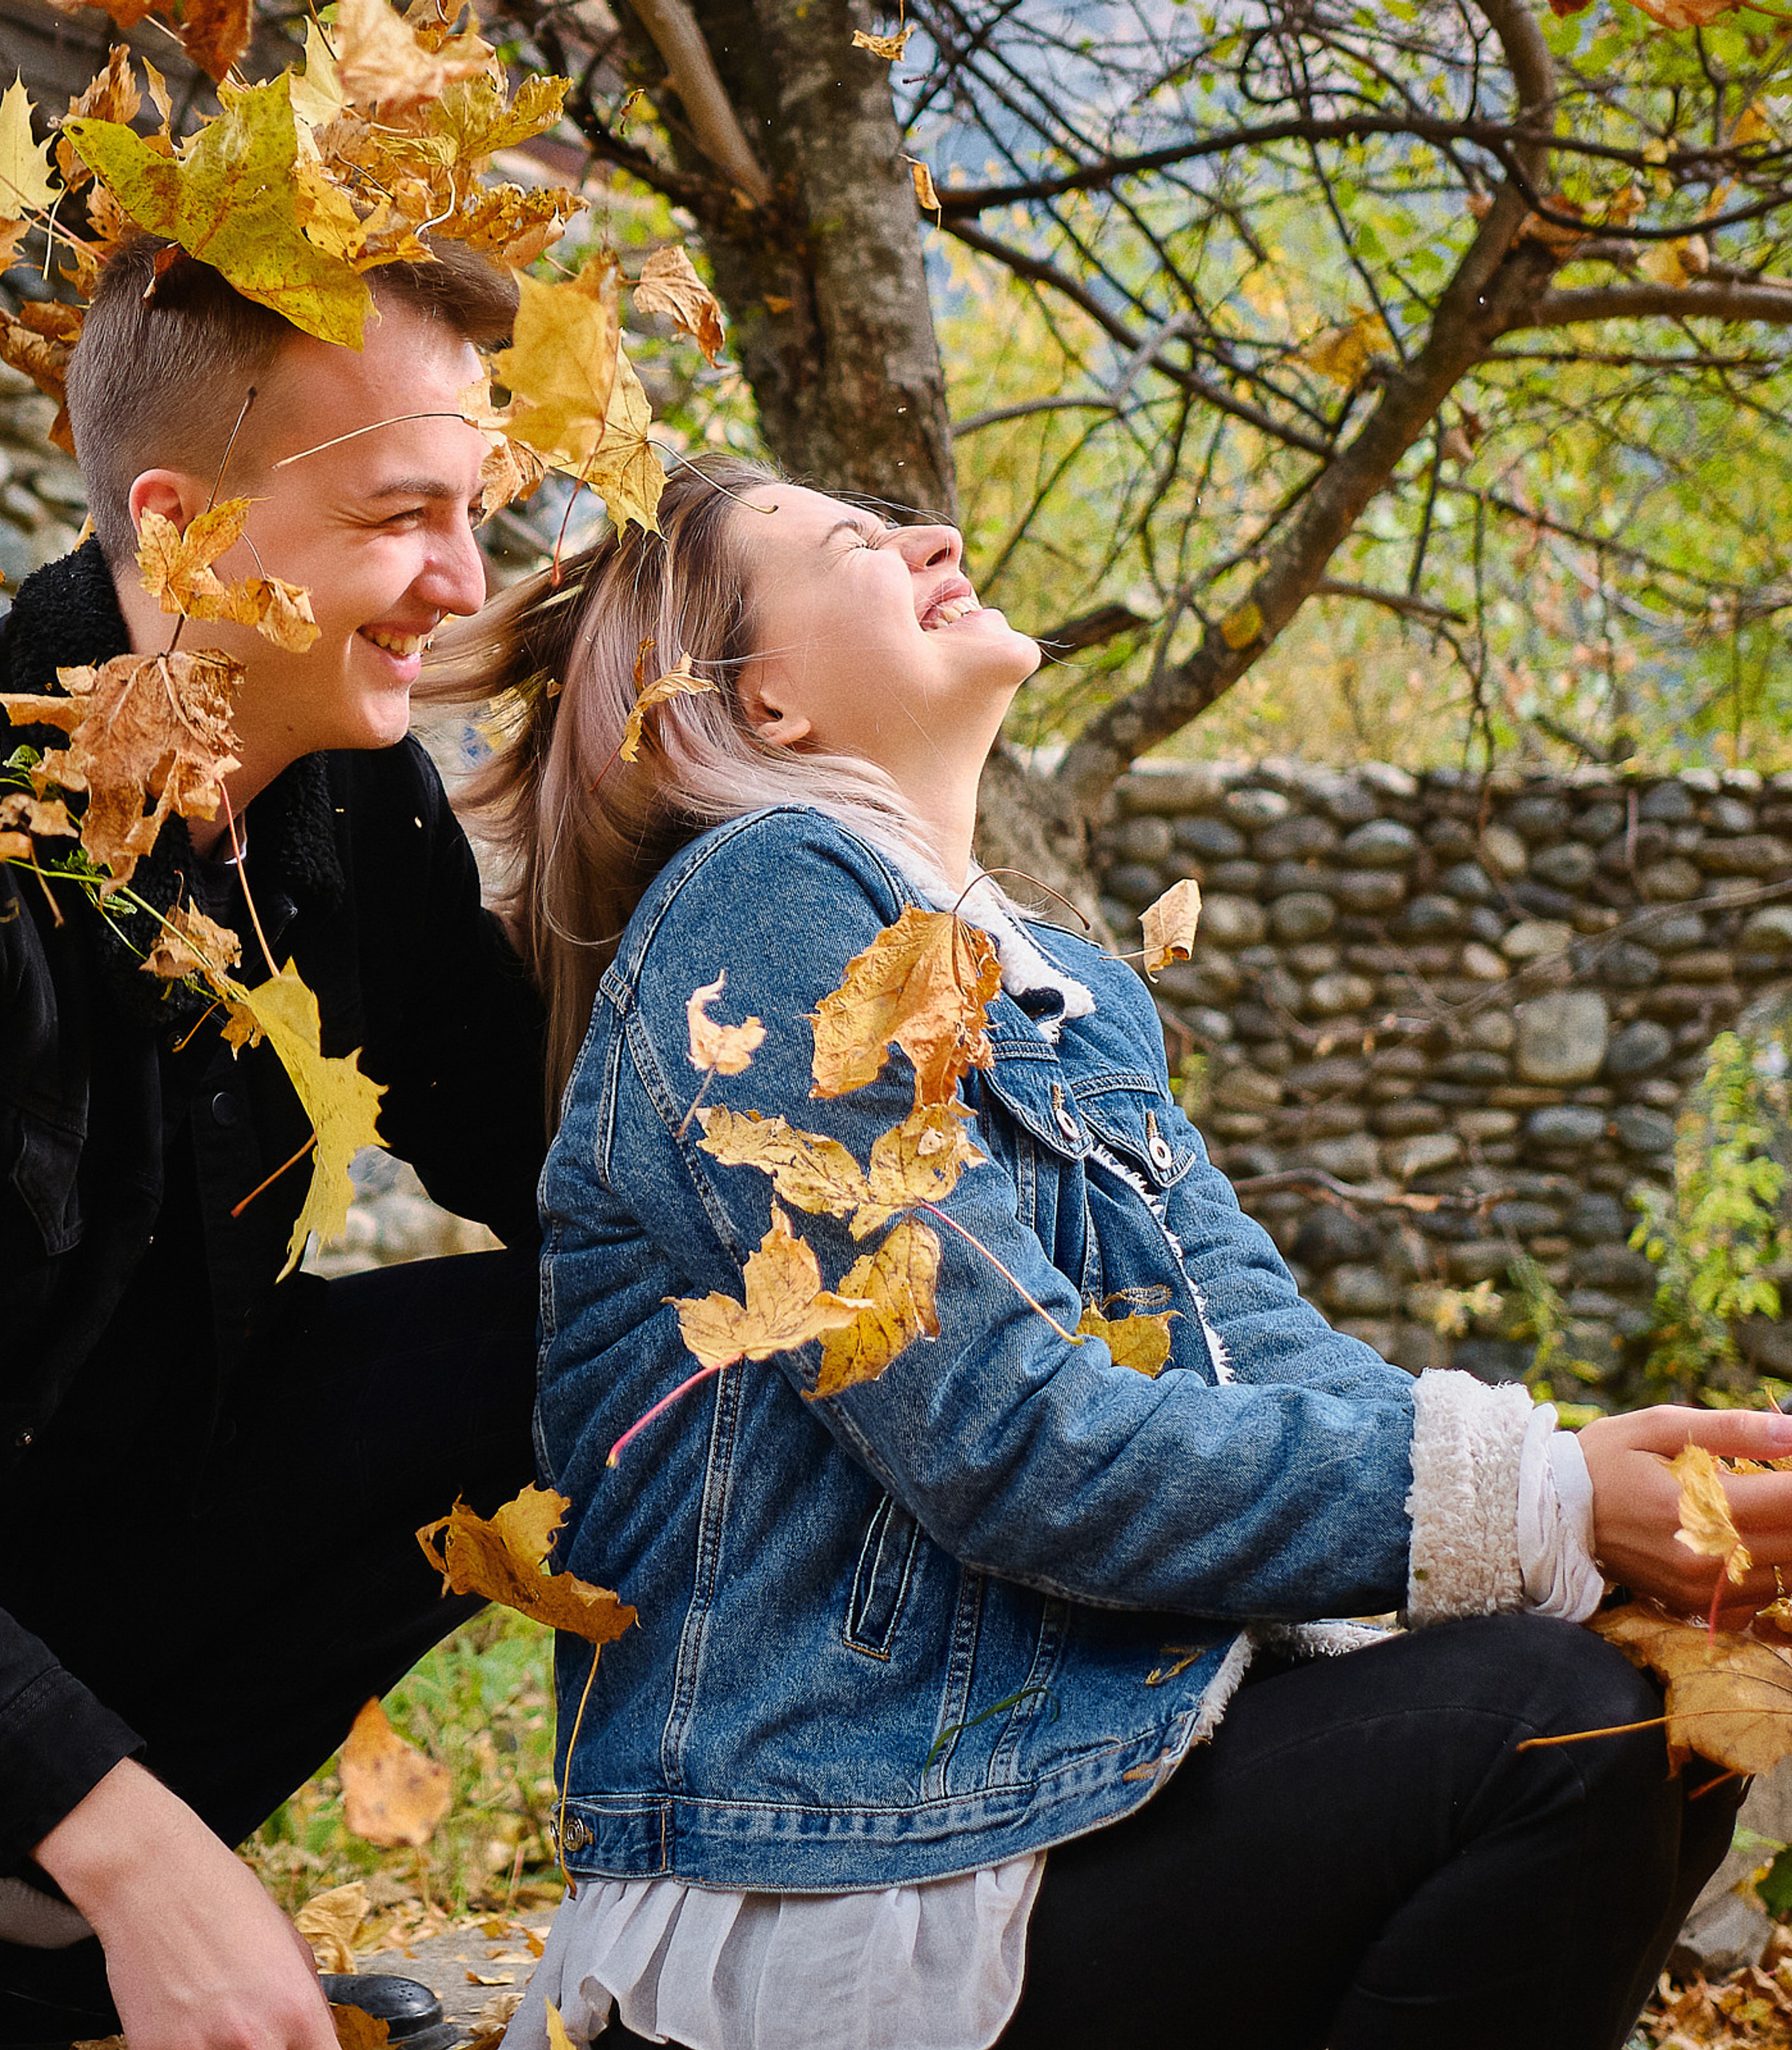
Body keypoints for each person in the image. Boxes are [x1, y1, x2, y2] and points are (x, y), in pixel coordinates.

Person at [429, 454, 1792, 2050]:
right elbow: (1016, 1445)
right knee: (1561, 1731)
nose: (937, 533)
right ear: (765, 701)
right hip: (846, 1864)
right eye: (852, 544)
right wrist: (1549, 1501)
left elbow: (1264, 1360)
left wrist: (1609, 1518)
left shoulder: (1065, 995)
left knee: (1654, 1686)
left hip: (1054, 1787)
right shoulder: (762, 904)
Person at [0, 232, 548, 2049]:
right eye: (403, 514)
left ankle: (34, 1943)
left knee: (576, 1328)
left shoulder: (348, 786)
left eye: (472, 506)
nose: (460, 578)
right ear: (181, 527)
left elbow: (556, 1156)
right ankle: (49, 1897)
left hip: (60, 1537)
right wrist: (146, 1851)